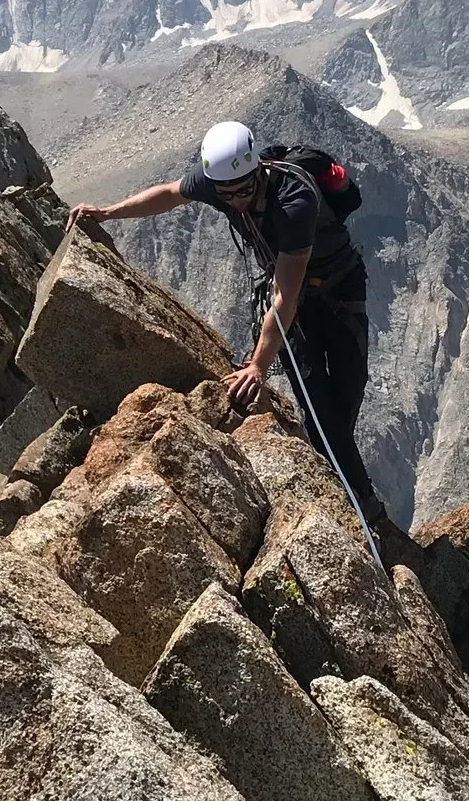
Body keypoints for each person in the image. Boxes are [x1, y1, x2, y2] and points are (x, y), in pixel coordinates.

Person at [68, 120, 382, 522]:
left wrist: (258, 365)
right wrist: (109, 212)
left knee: (348, 390)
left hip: (338, 290)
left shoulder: (294, 201)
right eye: (225, 194)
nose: (234, 201)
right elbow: (167, 195)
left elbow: (286, 293)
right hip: (298, 305)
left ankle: (339, 466)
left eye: (243, 191)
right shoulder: (219, 180)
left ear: (258, 173)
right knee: (319, 407)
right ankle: (365, 507)